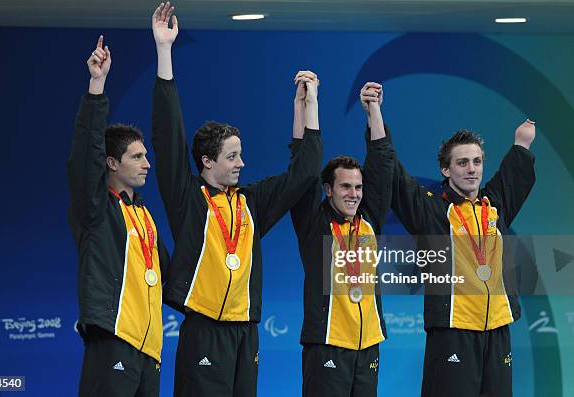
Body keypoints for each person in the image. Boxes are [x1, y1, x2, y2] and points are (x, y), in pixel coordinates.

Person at [150, 3, 322, 396]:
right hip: (204, 330)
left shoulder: (252, 203)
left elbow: (305, 173)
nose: (242, 163)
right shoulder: (187, 198)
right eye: (232, 156)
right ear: (207, 161)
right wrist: (164, 52)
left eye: (241, 154)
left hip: (247, 332)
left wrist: (308, 106)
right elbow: (167, 135)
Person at [383, 82, 536, 396]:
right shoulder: (433, 211)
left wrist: (522, 143)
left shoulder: (493, 206)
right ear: (446, 169)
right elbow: (396, 181)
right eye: (462, 162)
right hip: (453, 330)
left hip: (496, 330)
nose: (472, 169)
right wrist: (375, 117)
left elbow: (512, 175)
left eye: (477, 162)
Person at [68, 35, 170, 397]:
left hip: (149, 348)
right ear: (112, 163)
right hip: (113, 338)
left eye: (145, 156)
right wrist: (97, 87)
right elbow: (85, 153)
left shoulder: (143, 214)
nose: (148, 164)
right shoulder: (95, 209)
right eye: (137, 157)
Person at [291, 81, 393, 397]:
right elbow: (302, 165)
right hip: (327, 344)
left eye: (358, 187)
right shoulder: (313, 222)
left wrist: (373, 111)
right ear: (328, 190)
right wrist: (310, 105)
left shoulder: (370, 219)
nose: (354, 194)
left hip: (368, 345)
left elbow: (382, 162)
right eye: (345, 187)